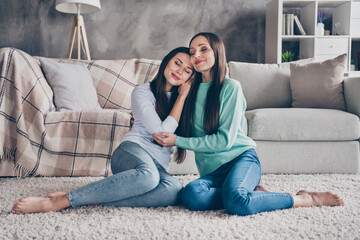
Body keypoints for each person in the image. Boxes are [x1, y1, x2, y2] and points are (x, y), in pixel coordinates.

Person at [152, 32, 345, 216]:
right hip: (214, 172)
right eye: (192, 51)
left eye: (203, 49)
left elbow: (224, 141)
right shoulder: (189, 90)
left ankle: (303, 198)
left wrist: (178, 140)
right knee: (191, 196)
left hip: (241, 159)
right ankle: (253, 193)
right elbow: (171, 120)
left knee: (237, 203)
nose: (196, 55)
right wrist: (146, 122)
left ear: (217, 52)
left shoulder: (230, 88)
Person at [11, 47, 194, 214]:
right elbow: (161, 133)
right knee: (148, 176)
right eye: (177, 63)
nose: (180, 71)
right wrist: (183, 96)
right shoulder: (143, 92)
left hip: (159, 165)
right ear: (166, 62)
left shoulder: (186, 103)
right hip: (131, 152)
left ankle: (90, 200)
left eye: (187, 70)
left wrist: (185, 97)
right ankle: (62, 201)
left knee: (173, 190)